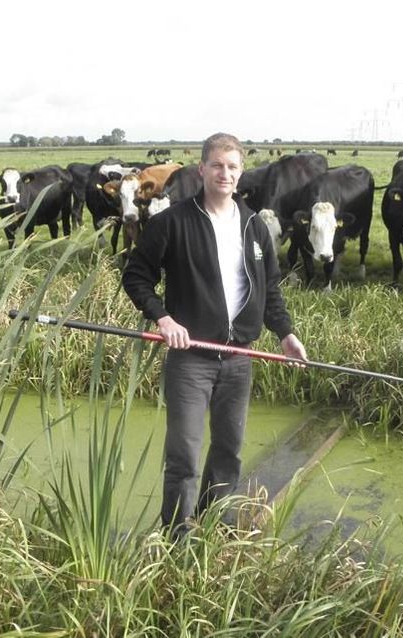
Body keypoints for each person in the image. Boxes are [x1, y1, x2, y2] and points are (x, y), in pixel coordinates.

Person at [122, 132, 307, 537]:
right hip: (191, 359)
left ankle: (212, 525)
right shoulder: (173, 222)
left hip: (239, 359)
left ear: (241, 173)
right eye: (218, 165)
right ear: (202, 168)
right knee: (184, 455)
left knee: (228, 452)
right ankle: (177, 538)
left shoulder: (255, 227)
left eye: (233, 167)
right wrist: (164, 319)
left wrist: (285, 334)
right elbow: (136, 277)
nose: (225, 174)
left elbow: (270, 289)